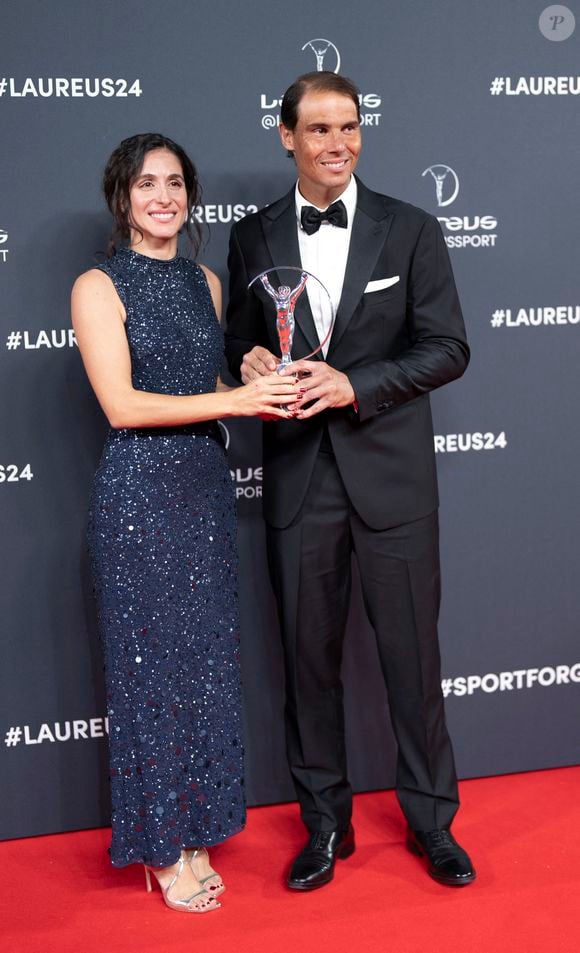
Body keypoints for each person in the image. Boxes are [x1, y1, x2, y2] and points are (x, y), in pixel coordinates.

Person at [225, 72, 476, 890]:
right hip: (299, 478)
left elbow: (448, 348)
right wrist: (251, 358)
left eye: (351, 127)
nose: (340, 144)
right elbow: (241, 339)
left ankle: (433, 822)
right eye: (321, 130)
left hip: (393, 478)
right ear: (285, 135)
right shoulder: (253, 233)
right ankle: (325, 826)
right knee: (309, 664)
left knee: (413, 658)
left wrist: (356, 385)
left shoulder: (412, 227)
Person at [71, 133, 298, 913]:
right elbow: (124, 404)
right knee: (151, 675)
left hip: (201, 491)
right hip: (139, 497)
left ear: (189, 196)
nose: (162, 196)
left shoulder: (205, 280)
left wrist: (249, 374)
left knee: (200, 671)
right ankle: (160, 845)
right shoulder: (98, 285)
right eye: (146, 184)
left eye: (174, 183)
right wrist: (232, 401)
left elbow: (203, 378)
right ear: (122, 197)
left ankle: (196, 827)